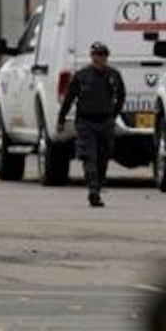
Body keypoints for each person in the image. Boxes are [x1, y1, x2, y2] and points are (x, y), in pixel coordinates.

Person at [58, 42, 126, 208]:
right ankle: (93, 190)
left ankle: (98, 185)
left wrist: (113, 115)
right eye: (97, 55)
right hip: (86, 122)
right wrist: (61, 119)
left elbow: (121, 95)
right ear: (92, 56)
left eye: (103, 55)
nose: (100, 58)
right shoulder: (82, 76)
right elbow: (69, 98)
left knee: (103, 156)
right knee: (89, 157)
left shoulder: (114, 75)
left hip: (105, 122)